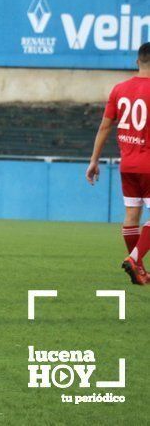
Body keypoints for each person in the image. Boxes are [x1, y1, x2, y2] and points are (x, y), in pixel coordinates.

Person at [88, 42, 150, 285]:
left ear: (137, 62)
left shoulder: (119, 89)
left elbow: (104, 126)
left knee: (131, 215)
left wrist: (94, 160)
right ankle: (135, 259)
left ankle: (139, 270)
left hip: (128, 165)